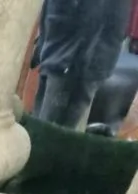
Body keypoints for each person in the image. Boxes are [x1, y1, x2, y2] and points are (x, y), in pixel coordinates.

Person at [35, 0, 131, 129]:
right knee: (41, 128)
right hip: (57, 55)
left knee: (51, 132)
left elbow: (96, 21)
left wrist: (74, 63)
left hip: (73, 64)